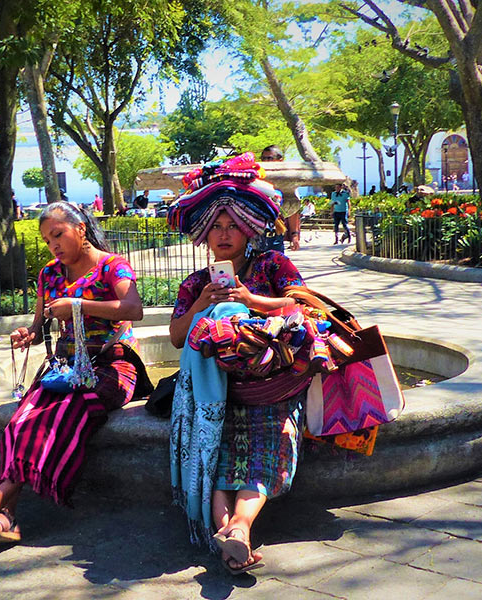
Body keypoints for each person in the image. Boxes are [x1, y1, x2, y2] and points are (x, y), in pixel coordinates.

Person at [0, 201, 153, 545]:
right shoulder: (49, 274)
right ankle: (6, 516)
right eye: (47, 240)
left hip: (111, 366)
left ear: (81, 229)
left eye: (58, 235)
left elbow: (134, 309)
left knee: (61, 414)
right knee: (22, 420)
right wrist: (27, 334)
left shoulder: (112, 267)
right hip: (65, 369)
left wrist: (78, 305)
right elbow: (39, 324)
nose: (54, 245)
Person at [167, 153, 307, 574]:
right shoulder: (195, 283)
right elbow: (177, 337)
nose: (224, 234)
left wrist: (251, 300)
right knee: (216, 459)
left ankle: (238, 530)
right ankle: (234, 534)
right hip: (216, 397)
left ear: (249, 229)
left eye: (232, 226)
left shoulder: (273, 265)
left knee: (269, 449)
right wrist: (202, 305)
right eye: (215, 227)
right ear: (204, 233)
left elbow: (302, 304)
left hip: (268, 389)